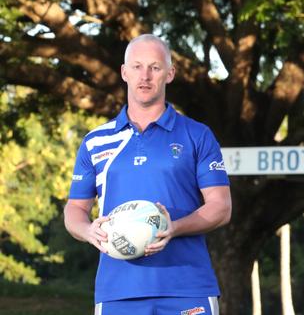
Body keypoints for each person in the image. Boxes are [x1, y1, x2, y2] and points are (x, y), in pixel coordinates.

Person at [64, 34, 232, 315]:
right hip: (118, 291)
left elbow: (221, 207)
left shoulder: (197, 135)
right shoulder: (95, 141)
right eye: (137, 66)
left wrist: (173, 228)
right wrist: (87, 230)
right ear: (124, 72)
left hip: (187, 288)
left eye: (155, 67)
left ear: (170, 74)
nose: (145, 76)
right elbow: (75, 209)